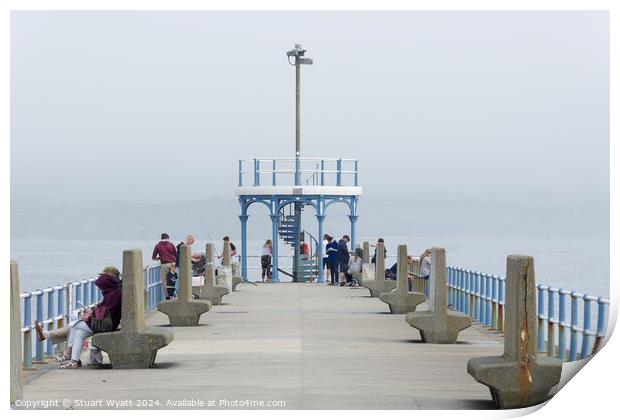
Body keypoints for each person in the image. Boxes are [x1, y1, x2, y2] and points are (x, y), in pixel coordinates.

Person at [33, 266, 122, 369]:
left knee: (76, 325)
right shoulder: (111, 292)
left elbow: (107, 313)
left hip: (107, 324)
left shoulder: (114, 293)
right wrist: (91, 313)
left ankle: (66, 353)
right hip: (105, 322)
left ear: (108, 278)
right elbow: (104, 309)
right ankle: (74, 360)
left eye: (103, 276)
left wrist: (89, 317)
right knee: (78, 331)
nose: (100, 279)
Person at [152, 233, 177, 299]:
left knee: (164, 281)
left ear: (161, 238)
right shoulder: (171, 245)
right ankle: (174, 294)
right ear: (168, 238)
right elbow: (176, 254)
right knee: (173, 280)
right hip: (172, 265)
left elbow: (153, 257)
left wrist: (160, 258)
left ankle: (167, 296)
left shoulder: (158, 246)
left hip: (164, 265)